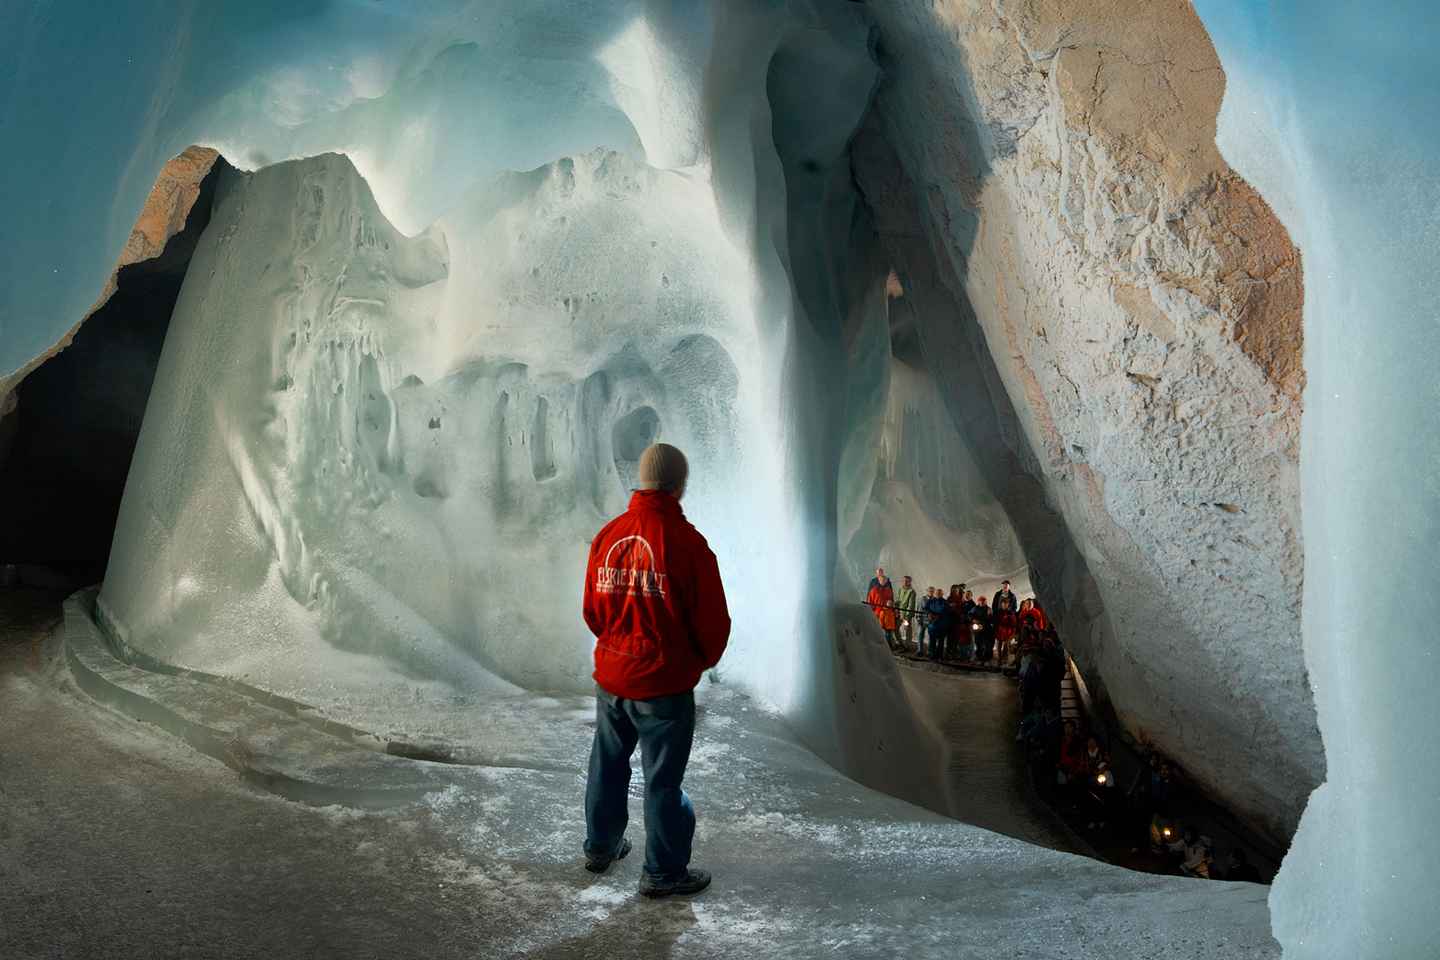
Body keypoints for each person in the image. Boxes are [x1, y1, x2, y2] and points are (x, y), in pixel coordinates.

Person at [582, 442, 730, 898]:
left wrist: (615, 647)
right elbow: (712, 624)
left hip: (612, 679)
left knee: (607, 766)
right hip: (663, 685)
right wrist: (695, 663)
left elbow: (592, 610)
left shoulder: (610, 535)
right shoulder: (688, 545)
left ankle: (600, 847)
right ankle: (663, 871)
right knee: (663, 780)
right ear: (678, 485)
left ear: (642, 481)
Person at [866, 568, 899, 648]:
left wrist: (892, 606)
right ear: (878, 580)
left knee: (888, 631)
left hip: (887, 613)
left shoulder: (888, 590)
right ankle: (877, 645)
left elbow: (891, 599)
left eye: (885, 581)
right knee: (877, 629)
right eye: (882, 580)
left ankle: (888, 646)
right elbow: (869, 601)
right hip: (877, 613)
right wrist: (871, 611)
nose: (884, 582)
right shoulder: (873, 590)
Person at [993, 593, 1018, 668]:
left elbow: (1014, 624)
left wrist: (1012, 634)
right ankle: (999, 660)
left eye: (1006, 604)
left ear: (1008, 605)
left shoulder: (1011, 613)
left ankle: (1005, 660)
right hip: (999, 632)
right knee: (999, 646)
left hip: (1007, 632)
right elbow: (995, 622)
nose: (1004, 605)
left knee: (1006, 646)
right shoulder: (998, 612)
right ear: (1001, 604)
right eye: (1003, 603)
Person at [924, 588, 950, 661]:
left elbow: (947, 612)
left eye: (940, 593)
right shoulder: (930, 601)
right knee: (932, 641)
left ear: (942, 594)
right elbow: (926, 609)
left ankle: (940, 656)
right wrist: (929, 614)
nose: (938, 594)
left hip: (942, 625)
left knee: (941, 642)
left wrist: (939, 616)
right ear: (935, 594)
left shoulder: (945, 602)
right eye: (937, 593)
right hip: (932, 625)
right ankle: (932, 655)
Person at [896, 576, 918, 651]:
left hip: (906, 615)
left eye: (907, 581)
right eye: (904, 580)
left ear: (910, 582)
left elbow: (911, 605)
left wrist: (907, 617)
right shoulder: (900, 589)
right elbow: (898, 600)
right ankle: (901, 643)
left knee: (907, 629)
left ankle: (907, 646)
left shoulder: (912, 591)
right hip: (900, 613)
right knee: (895, 628)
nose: (905, 582)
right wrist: (896, 610)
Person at [946, 584, 967, 660]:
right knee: (950, 638)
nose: (955, 591)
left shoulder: (962, 599)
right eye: (954, 590)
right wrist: (951, 607)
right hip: (950, 620)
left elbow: (964, 610)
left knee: (956, 638)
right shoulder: (949, 598)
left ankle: (954, 653)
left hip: (958, 621)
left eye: (957, 590)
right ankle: (948, 653)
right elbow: (947, 608)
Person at [971, 596, 993, 662]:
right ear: (978, 601)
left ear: (986, 602)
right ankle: (979, 656)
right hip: (978, 628)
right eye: (981, 601)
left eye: (984, 601)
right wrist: (973, 619)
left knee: (987, 644)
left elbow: (992, 619)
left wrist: (990, 616)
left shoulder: (989, 609)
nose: (982, 602)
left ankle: (987, 657)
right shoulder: (975, 608)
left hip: (986, 629)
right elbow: (970, 614)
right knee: (978, 643)